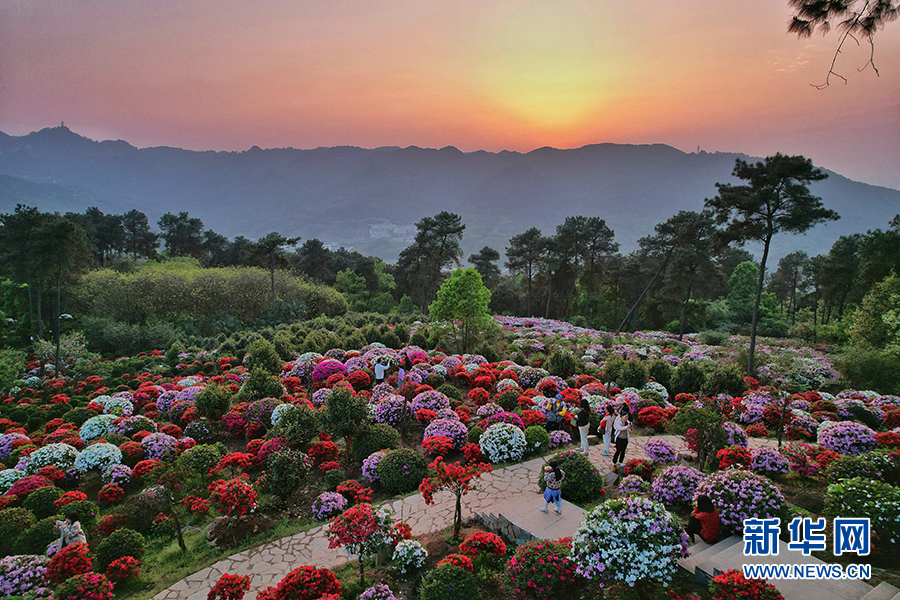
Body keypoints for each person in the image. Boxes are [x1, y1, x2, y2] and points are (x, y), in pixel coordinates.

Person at [612, 406, 631, 471]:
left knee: (623, 451)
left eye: (627, 417)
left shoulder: (627, 422)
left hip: (625, 439)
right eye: (625, 417)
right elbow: (619, 428)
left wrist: (630, 428)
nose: (626, 418)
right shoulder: (618, 422)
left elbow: (629, 430)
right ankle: (614, 462)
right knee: (618, 450)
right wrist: (627, 427)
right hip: (619, 438)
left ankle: (621, 461)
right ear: (622, 416)